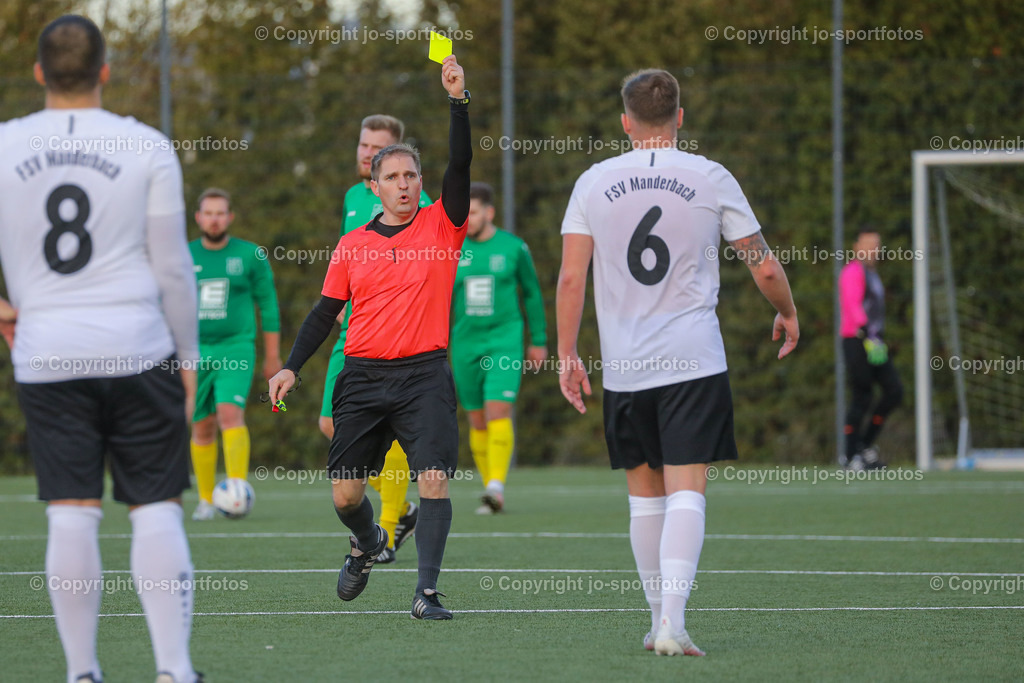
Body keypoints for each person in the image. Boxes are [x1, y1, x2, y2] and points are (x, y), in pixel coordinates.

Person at [556, 69, 799, 657]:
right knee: (688, 492)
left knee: (645, 498)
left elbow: (570, 277)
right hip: (693, 360)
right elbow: (762, 265)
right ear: (680, 119)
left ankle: (654, 621)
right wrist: (789, 312)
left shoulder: (593, 180)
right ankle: (674, 623)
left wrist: (566, 355)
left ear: (625, 122)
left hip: (625, 368)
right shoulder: (710, 176)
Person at [0, 15, 202, 683]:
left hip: (47, 351)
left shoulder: (4, 145)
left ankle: (81, 672)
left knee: (71, 510)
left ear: (37, 74)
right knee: (155, 507)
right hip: (138, 345)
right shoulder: (145, 145)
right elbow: (173, 266)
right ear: (105, 71)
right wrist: (189, 356)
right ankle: (174, 669)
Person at [268, 54, 471, 620]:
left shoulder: (442, 224)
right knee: (346, 497)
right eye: (393, 178)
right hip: (360, 374)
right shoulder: (353, 244)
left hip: (425, 373)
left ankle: (425, 593)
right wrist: (291, 366)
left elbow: (462, 160)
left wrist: (458, 100)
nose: (404, 184)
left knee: (433, 479)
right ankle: (368, 543)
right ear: (374, 187)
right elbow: (323, 311)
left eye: (411, 176)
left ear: (421, 184)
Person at [319, 115, 431, 559]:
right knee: (330, 424)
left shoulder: (419, 202)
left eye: (375, 147)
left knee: (395, 435)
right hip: (351, 331)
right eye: (362, 145)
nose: (365, 153)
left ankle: (386, 525)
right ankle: (401, 510)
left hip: (399, 341)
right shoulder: (353, 195)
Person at [450, 181, 547, 514]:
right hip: (464, 343)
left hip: (504, 341)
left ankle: (496, 486)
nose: (467, 218)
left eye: (473, 212)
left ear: (489, 212)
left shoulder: (513, 248)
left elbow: (532, 294)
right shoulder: (452, 247)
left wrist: (539, 340)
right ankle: (490, 487)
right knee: (476, 420)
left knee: (498, 411)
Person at [189, 187, 282, 520]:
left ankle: (236, 492)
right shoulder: (184, 256)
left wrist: (272, 357)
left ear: (230, 217)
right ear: (199, 218)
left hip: (237, 347)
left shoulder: (249, 255)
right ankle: (204, 500)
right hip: (195, 351)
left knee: (230, 415)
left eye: (220, 213)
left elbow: (268, 306)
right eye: (208, 213)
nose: (214, 219)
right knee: (202, 425)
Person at [839, 228, 902, 470]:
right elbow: (853, 305)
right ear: (856, 247)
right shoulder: (852, 271)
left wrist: (876, 339)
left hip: (874, 342)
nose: (873, 250)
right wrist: (867, 333)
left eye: (876, 245)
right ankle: (850, 455)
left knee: (893, 391)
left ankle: (864, 446)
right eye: (868, 245)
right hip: (857, 340)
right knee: (862, 396)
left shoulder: (873, 274)